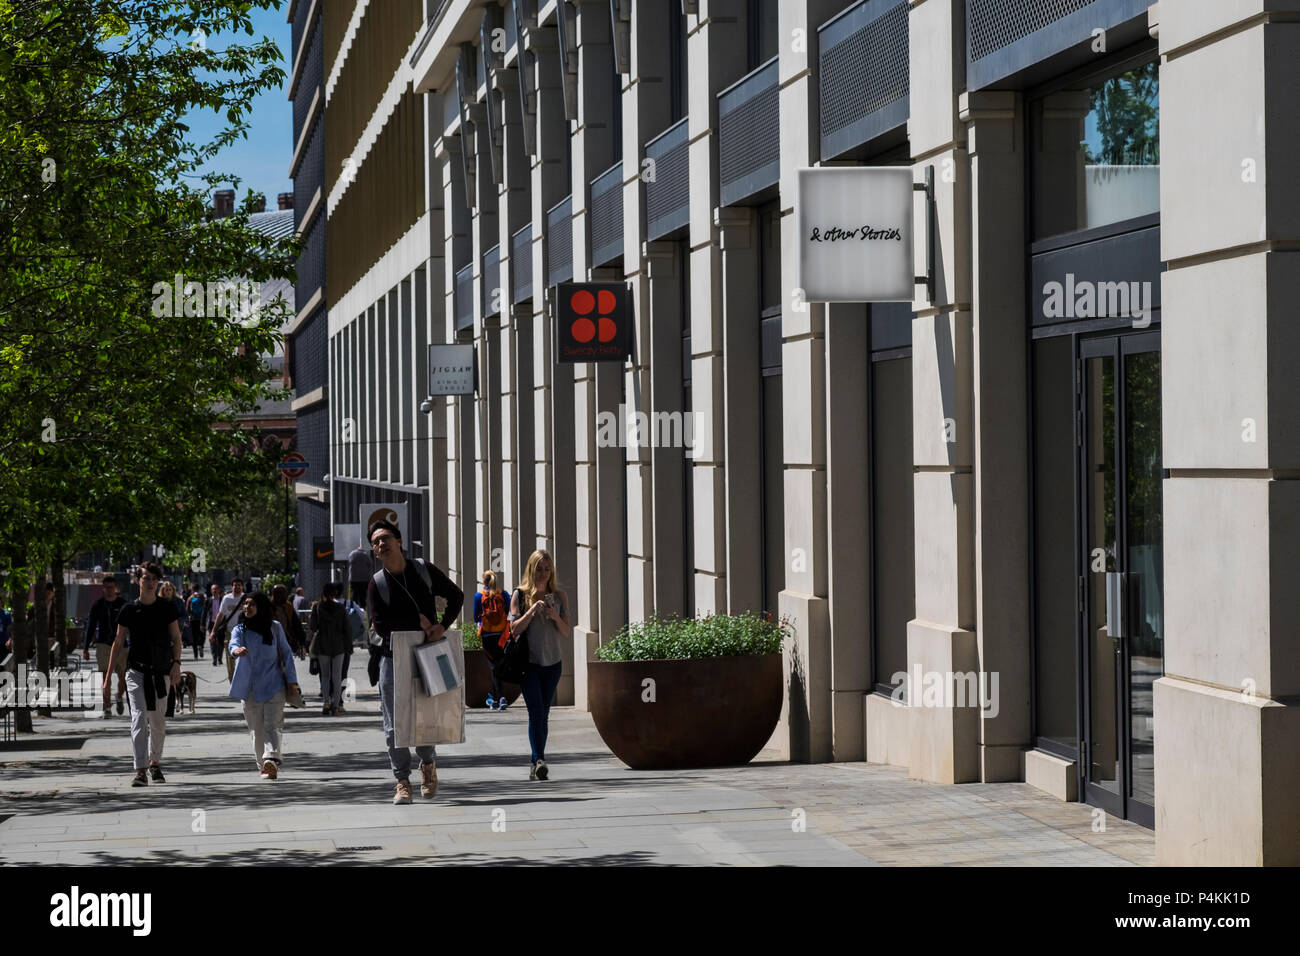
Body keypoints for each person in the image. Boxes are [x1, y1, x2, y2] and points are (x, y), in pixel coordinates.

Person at [366, 519, 463, 805]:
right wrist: (418, 625)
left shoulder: (423, 569)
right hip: (392, 659)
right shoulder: (377, 583)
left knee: (426, 716)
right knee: (394, 724)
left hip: (430, 655)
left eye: (385, 538)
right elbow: (380, 626)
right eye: (375, 542)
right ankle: (401, 781)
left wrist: (441, 626)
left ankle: (428, 764)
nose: (381, 544)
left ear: (399, 542)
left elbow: (455, 595)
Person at [104, 563, 182, 787]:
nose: (150, 582)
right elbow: (118, 643)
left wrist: (176, 664)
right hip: (135, 671)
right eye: (146, 578)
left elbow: (176, 637)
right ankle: (140, 770)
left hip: (160, 672)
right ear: (137, 580)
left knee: (157, 721)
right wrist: (108, 677)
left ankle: (154, 763)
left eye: (154, 578)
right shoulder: (129, 610)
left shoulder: (167, 608)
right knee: (138, 717)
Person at [508, 550, 570, 782]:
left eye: (547, 569)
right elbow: (513, 630)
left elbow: (566, 632)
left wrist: (555, 616)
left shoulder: (560, 596)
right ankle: (540, 758)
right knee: (535, 712)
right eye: (539, 568)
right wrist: (532, 610)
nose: (543, 573)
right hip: (529, 664)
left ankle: (535, 763)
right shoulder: (520, 595)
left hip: (553, 663)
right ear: (531, 570)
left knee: (543, 714)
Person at [228, 591, 300, 779]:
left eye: (252, 604)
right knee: (256, 729)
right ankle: (263, 765)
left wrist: (292, 682)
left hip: (274, 686)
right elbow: (232, 645)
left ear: (260, 607)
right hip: (249, 688)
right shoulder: (240, 630)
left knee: (272, 725)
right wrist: (236, 650)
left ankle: (271, 760)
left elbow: (286, 653)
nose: (247, 607)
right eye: (245, 604)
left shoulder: (274, 628)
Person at [82, 575, 127, 717]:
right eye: (106, 588)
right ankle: (107, 707)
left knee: (123, 678)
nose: (109, 590)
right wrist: (85, 647)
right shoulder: (98, 605)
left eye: (111, 587)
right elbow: (90, 626)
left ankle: (119, 696)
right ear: (103, 589)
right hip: (103, 644)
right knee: (104, 678)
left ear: (116, 588)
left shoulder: (123, 604)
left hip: (121, 645)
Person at [308, 581, 350, 716]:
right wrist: (348, 646)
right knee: (337, 677)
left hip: (323, 645)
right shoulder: (341, 608)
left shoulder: (317, 608)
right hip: (339, 645)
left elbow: (313, 627)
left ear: (323, 593)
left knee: (325, 676)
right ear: (335, 594)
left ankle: (326, 702)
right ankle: (336, 705)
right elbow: (347, 629)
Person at [473, 570, 510, 710]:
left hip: (487, 636)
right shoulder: (504, 594)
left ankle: (499, 698)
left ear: (483, 582)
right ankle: (498, 698)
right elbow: (510, 613)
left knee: (493, 666)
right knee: (499, 666)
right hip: (502, 636)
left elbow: (476, 617)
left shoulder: (479, 596)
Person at [209, 578, 245, 682]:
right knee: (230, 659)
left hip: (244, 633)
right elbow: (220, 616)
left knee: (243, 659)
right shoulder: (226, 598)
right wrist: (213, 631)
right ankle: (233, 682)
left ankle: (243, 681)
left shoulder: (246, 598)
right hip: (229, 633)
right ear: (232, 586)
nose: (237, 587)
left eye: (239, 585)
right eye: (235, 585)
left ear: (242, 587)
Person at [271, 584, 307, 657]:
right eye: (277, 593)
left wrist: (301, 641)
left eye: (282, 593)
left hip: (286, 639)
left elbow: (296, 624)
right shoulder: (268, 606)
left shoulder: (288, 606)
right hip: (271, 640)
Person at [203, 583, 224, 665]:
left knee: (221, 642)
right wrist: (202, 624)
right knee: (212, 642)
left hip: (221, 624)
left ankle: (220, 657)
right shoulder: (208, 600)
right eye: (213, 589)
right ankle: (214, 658)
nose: (214, 591)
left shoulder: (223, 600)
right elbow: (204, 613)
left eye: (216, 589)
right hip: (211, 623)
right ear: (211, 591)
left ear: (219, 590)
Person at [186, 586, 206, 661]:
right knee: (202, 634)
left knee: (194, 636)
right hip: (201, 619)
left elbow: (187, 609)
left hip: (192, 619)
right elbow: (205, 607)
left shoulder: (190, 598)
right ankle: (201, 645)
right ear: (199, 589)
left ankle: (195, 655)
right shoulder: (202, 597)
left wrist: (188, 618)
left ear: (192, 589)